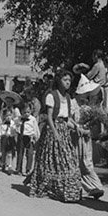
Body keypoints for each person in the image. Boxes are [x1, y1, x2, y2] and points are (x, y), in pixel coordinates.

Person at [28, 70, 82, 203]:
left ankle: (68, 191)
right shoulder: (51, 96)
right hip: (53, 131)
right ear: (59, 81)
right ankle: (50, 189)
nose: (68, 82)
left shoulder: (68, 98)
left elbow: (67, 118)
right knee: (51, 161)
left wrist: (76, 127)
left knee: (69, 161)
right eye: (65, 80)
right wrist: (55, 133)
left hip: (64, 130)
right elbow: (50, 117)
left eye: (69, 80)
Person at [73, 75, 105, 198]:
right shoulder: (72, 104)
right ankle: (79, 187)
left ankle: (95, 186)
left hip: (85, 138)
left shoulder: (86, 108)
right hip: (75, 136)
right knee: (75, 161)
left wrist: (88, 126)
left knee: (86, 162)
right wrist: (78, 128)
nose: (87, 96)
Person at [15, 103, 39, 177]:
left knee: (30, 153)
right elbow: (15, 125)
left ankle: (28, 169)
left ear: (31, 111)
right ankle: (18, 169)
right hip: (21, 136)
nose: (26, 114)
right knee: (20, 153)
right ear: (21, 112)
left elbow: (35, 128)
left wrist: (36, 137)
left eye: (28, 112)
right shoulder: (18, 118)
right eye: (24, 112)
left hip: (29, 137)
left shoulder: (33, 119)